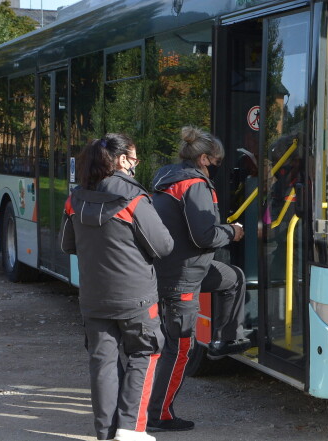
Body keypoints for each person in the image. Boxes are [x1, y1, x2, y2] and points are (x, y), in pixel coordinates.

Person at [59, 134, 174, 441]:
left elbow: (67, 244)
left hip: (93, 297)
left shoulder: (75, 198)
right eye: (134, 159)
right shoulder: (134, 198)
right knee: (145, 353)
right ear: (123, 160)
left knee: (102, 362)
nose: (135, 165)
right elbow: (163, 246)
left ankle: (106, 433)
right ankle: (131, 428)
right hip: (136, 296)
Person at [147, 126, 250, 432]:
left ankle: (226, 339)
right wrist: (233, 231)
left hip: (180, 267)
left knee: (232, 278)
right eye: (216, 162)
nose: (217, 168)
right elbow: (204, 235)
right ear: (204, 159)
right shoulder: (196, 185)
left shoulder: (170, 178)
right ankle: (159, 414)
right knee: (179, 347)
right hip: (181, 277)